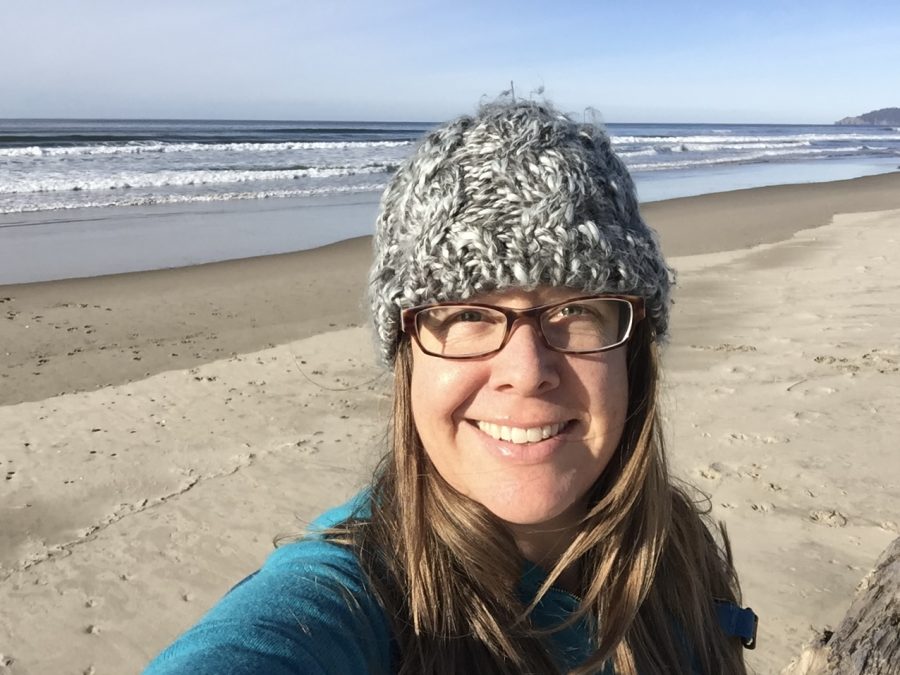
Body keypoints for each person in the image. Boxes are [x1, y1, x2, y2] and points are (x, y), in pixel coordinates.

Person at [145, 101, 757, 674]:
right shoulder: (353, 596)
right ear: (407, 356)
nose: (527, 369)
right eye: (467, 313)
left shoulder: (680, 551)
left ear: (633, 350)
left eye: (575, 309)